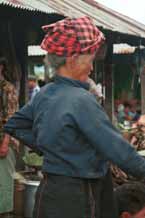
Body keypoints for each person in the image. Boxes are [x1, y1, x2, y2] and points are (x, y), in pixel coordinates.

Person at [3, 16, 145, 218]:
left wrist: (49, 145)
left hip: (48, 192)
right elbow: (119, 151)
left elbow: (14, 124)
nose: (92, 67)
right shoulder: (82, 100)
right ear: (72, 59)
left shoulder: (45, 93)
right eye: (90, 60)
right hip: (78, 196)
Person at [0, 57, 18, 217]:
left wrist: (5, 143)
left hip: (4, 140)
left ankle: (5, 214)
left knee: (4, 181)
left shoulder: (8, 89)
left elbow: (12, 119)